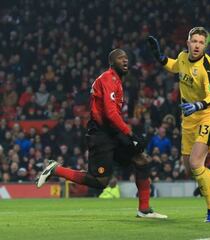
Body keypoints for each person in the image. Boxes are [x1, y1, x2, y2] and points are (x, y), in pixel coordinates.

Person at [36, 49, 167, 219]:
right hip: (101, 133)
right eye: (121, 59)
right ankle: (56, 169)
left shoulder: (116, 80)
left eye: (127, 58)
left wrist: (126, 134)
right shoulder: (108, 78)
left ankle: (144, 209)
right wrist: (129, 134)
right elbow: (110, 113)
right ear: (112, 62)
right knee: (99, 181)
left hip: (112, 132)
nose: (125, 61)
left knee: (142, 160)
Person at [147, 27, 210, 222]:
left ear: (205, 46)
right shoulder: (182, 57)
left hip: (208, 114)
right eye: (194, 41)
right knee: (189, 169)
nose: (197, 45)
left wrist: (197, 105)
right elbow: (173, 66)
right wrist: (159, 57)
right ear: (187, 43)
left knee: (197, 163)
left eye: (201, 42)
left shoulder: (207, 67)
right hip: (188, 118)